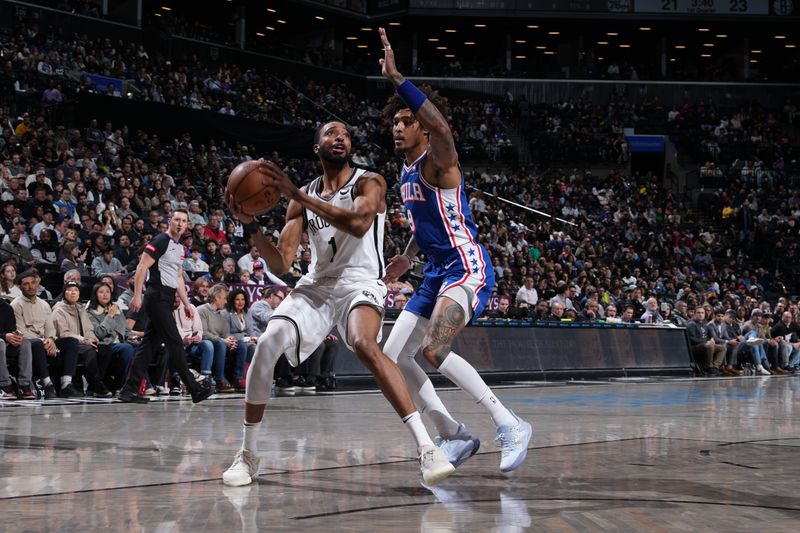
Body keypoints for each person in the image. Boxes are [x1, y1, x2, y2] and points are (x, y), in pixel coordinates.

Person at [222, 120, 454, 487]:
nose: (340, 137)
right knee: (268, 341)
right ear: (317, 148)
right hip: (317, 284)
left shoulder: (370, 181)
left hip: (361, 281)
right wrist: (251, 225)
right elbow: (282, 263)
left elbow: (360, 224)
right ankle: (248, 454)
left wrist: (295, 194)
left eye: (345, 133)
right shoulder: (302, 200)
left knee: (364, 344)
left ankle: (427, 448)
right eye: (331, 133)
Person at [377, 27, 531, 474]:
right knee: (392, 356)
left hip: (466, 266)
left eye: (406, 120)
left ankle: (510, 422)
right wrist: (407, 255)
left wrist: (396, 77)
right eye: (394, 122)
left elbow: (443, 124)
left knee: (432, 350)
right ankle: (455, 436)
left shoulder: (438, 161)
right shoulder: (406, 173)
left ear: (424, 126)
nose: (398, 127)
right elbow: (425, 225)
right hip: (434, 273)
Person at [116, 209, 213, 404]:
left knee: (148, 346)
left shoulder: (179, 248)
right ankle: (194, 388)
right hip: (156, 295)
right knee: (175, 342)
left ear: (187, 225)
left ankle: (129, 389)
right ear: (170, 221)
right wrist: (137, 296)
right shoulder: (161, 240)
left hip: (167, 298)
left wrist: (186, 304)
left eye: (184, 221)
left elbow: (177, 277)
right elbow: (142, 266)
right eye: (177, 219)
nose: (180, 223)